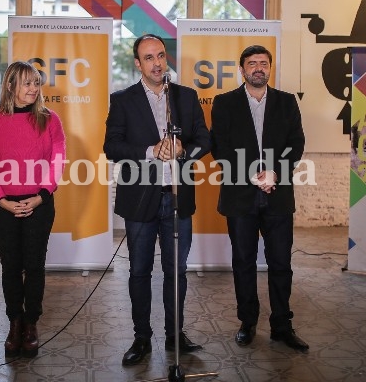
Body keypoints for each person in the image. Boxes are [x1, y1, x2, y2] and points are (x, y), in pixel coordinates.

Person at [104, 34, 211, 366]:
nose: (157, 63)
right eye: (148, 58)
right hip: (140, 201)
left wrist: (184, 151)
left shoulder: (185, 97)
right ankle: (141, 338)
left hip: (177, 199)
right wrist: (151, 151)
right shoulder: (123, 100)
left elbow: (204, 140)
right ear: (138, 63)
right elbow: (112, 147)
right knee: (139, 271)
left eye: (161, 56)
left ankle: (174, 334)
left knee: (176, 270)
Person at [210, 45, 308, 352]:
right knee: (243, 262)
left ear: (270, 68)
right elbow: (220, 147)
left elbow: (296, 143)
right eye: (252, 64)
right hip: (240, 195)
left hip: (278, 196)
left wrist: (275, 173)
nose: (258, 68)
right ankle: (248, 322)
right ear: (242, 70)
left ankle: (282, 325)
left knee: (281, 263)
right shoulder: (224, 103)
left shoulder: (286, 102)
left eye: (263, 63)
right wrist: (253, 174)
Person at [0, 61, 66, 358]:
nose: (33, 89)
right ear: (11, 85)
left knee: (35, 264)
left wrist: (41, 196)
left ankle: (31, 324)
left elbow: (57, 160)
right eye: (27, 83)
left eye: (36, 82)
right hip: (4, 205)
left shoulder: (49, 119)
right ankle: (14, 323)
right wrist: (1, 200)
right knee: (10, 266)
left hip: (39, 203)